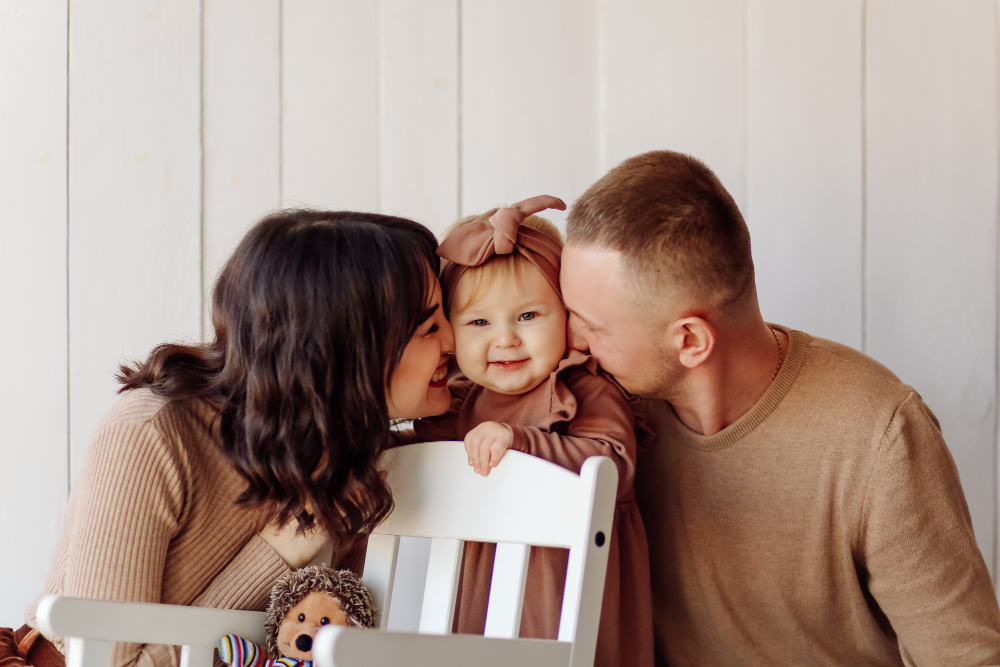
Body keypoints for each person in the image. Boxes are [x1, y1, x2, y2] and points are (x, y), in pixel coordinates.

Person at [558, 150, 1000, 665]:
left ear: (691, 341)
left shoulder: (880, 436)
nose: (572, 340)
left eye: (593, 326)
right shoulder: (598, 412)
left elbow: (966, 659)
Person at [10, 209, 456, 667]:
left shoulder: (357, 449)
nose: (453, 342)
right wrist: (279, 552)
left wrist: (518, 251)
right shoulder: (152, 432)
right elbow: (110, 665)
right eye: (430, 327)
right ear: (343, 348)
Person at [413, 196, 654, 667]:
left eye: (528, 316)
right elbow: (431, 458)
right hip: (486, 580)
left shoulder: (581, 389)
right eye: (479, 322)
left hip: (566, 585)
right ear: (452, 333)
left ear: (567, 317)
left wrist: (522, 442)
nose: (505, 339)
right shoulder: (462, 401)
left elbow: (615, 465)